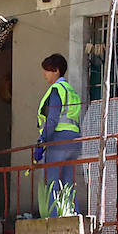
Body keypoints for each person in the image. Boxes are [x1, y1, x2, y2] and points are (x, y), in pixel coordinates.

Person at [33, 54, 83, 217]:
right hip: (74, 141)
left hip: (58, 140)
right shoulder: (70, 90)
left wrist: (42, 141)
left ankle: (53, 218)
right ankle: (71, 215)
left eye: (47, 71)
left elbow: (53, 118)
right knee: (68, 182)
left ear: (56, 71)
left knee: (52, 181)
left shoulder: (56, 90)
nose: (44, 74)